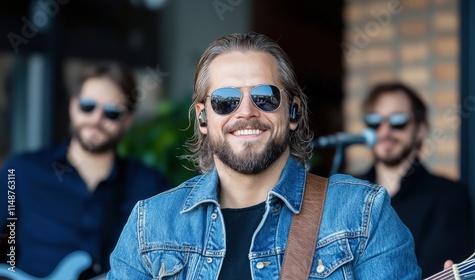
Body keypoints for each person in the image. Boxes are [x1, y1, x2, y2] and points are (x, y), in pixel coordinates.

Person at [107, 32, 421, 279]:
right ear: (203, 118)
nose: (246, 112)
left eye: (265, 97)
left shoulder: (362, 214)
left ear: (293, 112)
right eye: (226, 100)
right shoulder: (151, 225)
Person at [0, 62, 171, 279]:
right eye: (88, 106)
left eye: (112, 112)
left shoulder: (149, 185)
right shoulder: (22, 171)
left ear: (127, 121)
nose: (96, 119)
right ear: (73, 106)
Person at [357, 82, 475, 278]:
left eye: (398, 121)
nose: (385, 131)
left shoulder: (449, 196)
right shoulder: (350, 192)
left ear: (420, 128)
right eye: (375, 122)